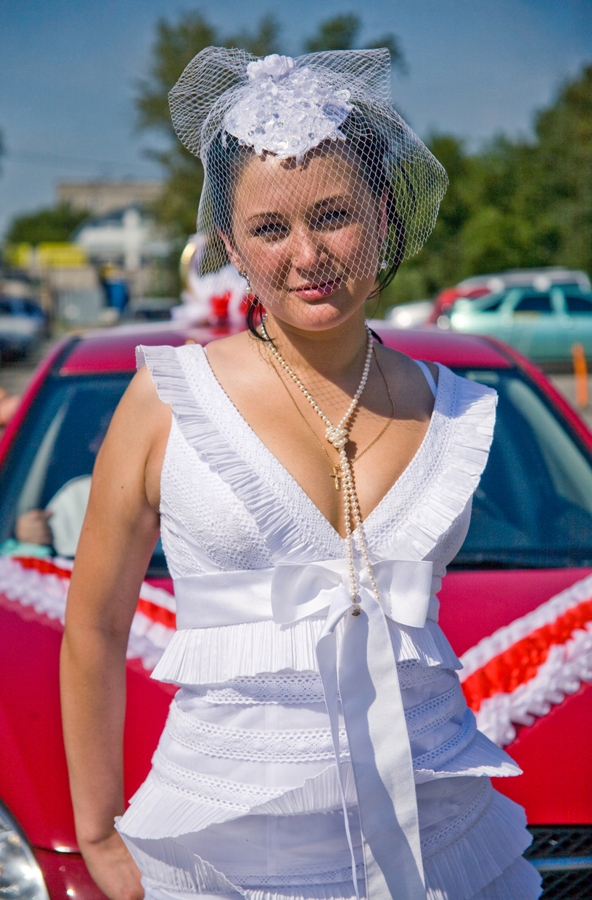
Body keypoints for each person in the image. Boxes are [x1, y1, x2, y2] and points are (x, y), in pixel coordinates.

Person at [60, 48, 542, 900]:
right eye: (270, 229)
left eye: (334, 215)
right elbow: (95, 625)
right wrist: (97, 832)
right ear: (230, 245)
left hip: (439, 835)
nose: (308, 253)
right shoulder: (166, 400)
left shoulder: (454, 407)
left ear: (383, 215)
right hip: (226, 849)